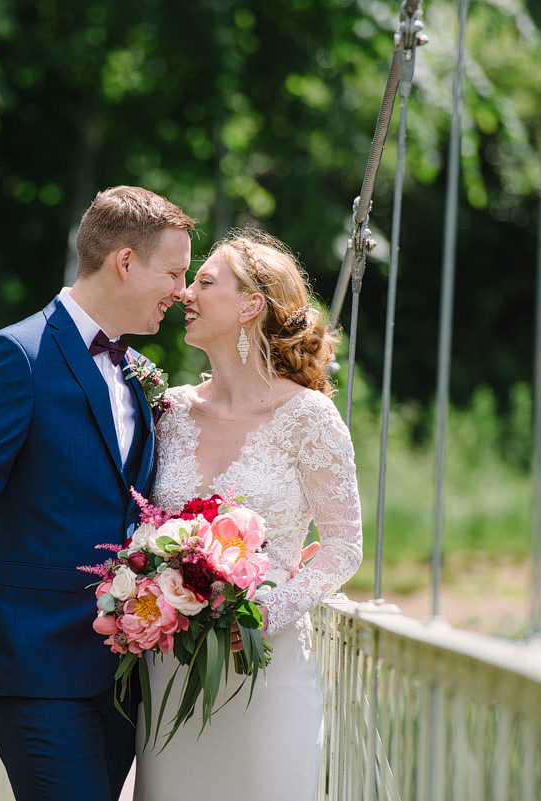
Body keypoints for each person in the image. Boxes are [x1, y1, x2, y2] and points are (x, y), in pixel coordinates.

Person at [0, 185, 195, 801]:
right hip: (35, 659)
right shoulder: (13, 356)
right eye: (175, 272)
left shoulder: (135, 373)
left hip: (123, 669)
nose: (183, 291)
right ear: (125, 262)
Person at [133, 229, 364, 800]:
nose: (185, 294)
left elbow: (343, 546)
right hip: (171, 671)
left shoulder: (309, 418)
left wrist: (264, 612)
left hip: (267, 667)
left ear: (250, 305)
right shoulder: (169, 413)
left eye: (205, 282)